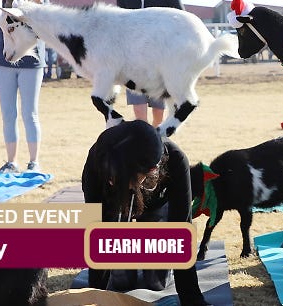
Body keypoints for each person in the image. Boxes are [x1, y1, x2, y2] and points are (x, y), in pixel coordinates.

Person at [81, 120, 210, 306]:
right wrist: (95, 298)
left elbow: (181, 232)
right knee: (122, 281)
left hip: (156, 206)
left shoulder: (176, 160)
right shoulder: (98, 159)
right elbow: (97, 233)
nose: (110, 181)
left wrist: (193, 300)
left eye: (117, 176)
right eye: (109, 175)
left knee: (155, 282)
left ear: (151, 171)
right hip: (117, 205)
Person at [0, 0, 46, 173]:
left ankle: (34, 162)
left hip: (32, 61)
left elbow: (43, 17)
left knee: (30, 113)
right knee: (8, 115)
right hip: (3, 60)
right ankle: (12, 162)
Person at [116, 0, 185, 127]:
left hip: (159, 64)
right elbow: (118, 21)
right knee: (139, 114)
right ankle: (146, 141)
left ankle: (156, 139)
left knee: (158, 115)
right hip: (133, 64)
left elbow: (183, 18)